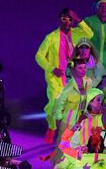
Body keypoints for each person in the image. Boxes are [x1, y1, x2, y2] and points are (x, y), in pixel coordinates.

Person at [36, 8, 94, 144]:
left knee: (72, 108)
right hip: (56, 80)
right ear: (59, 20)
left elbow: (89, 34)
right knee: (52, 106)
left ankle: (70, 136)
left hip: (72, 79)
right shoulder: (51, 37)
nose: (67, 21)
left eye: (69, 19)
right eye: (64, 18)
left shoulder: (76, 34)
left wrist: (79, 19)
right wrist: (51, 68)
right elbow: (39, 56)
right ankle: (51, 127)